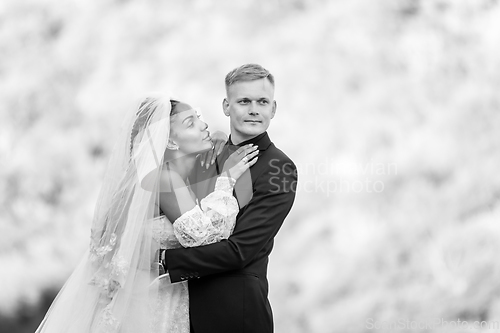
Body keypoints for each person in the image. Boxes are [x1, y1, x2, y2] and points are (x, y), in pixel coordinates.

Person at [35, 94, 257, 332]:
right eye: (190, 123)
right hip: (150, 305)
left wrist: (220, 139)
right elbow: (206, 235)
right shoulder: (164, 178)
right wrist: (227, 180)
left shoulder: (163, 175)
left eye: (199, 118)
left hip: (149, 295)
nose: (204, 125)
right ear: (169, 141)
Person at [165, 64, 298, 333]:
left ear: (273, 109)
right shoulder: (202, 155)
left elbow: (240, 251)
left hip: (237, 314)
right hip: (180, 313)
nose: (253, 110)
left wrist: (165, 262)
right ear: (226, 106)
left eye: (262, 102)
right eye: (243, 101)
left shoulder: (278, 168)